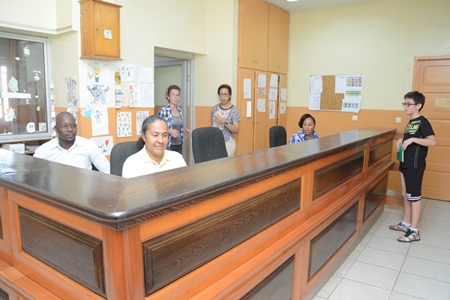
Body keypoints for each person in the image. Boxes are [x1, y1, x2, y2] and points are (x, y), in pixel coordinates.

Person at [389, 91, 437, 242]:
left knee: (414, 197)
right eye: (404, 103)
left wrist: (413, 140)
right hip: (406, 163)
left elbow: (432, 142)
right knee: (406, 194)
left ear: (418, 105)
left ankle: (414, 231)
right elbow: (410, 137)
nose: (405, 107)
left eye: (408, 104)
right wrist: (402, 140)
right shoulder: (412, 121)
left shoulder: (423, 122)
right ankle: (406, 223)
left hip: (415, 165)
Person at [34, 112, 110, 173]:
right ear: (56, 129)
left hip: (84, 190)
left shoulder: (88, 145)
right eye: (64, 126)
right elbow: (35, 175)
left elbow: (108, 170)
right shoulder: (44, 150)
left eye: (73, 125)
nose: (70, 129)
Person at [122, 115, 186, 178]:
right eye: (155, 135)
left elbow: (185, 186)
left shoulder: (177, 159)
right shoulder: (131, 164)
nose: (161, 141)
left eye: (165, 135)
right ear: (144, 137)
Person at [157, 85, 191, 155]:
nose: (175, 97)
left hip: (179, 144)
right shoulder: (163, 111)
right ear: (168, 97)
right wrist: (169, 131)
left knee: (178, 165)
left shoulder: (180, 111)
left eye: (177, 95)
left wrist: (185, 130)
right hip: (168, 144)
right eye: (173, 95)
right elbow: (157, 128)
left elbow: (177, 126)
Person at [210, 84, 240, 156]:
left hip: (228, 143)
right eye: (221, 94)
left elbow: (236, 130)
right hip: (215, 142)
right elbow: (212, 125)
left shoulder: (234, 110)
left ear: (230, 96)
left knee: (226, 166)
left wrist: (224, 122)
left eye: (225, 94)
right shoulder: (215, 108)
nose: (223, 97)